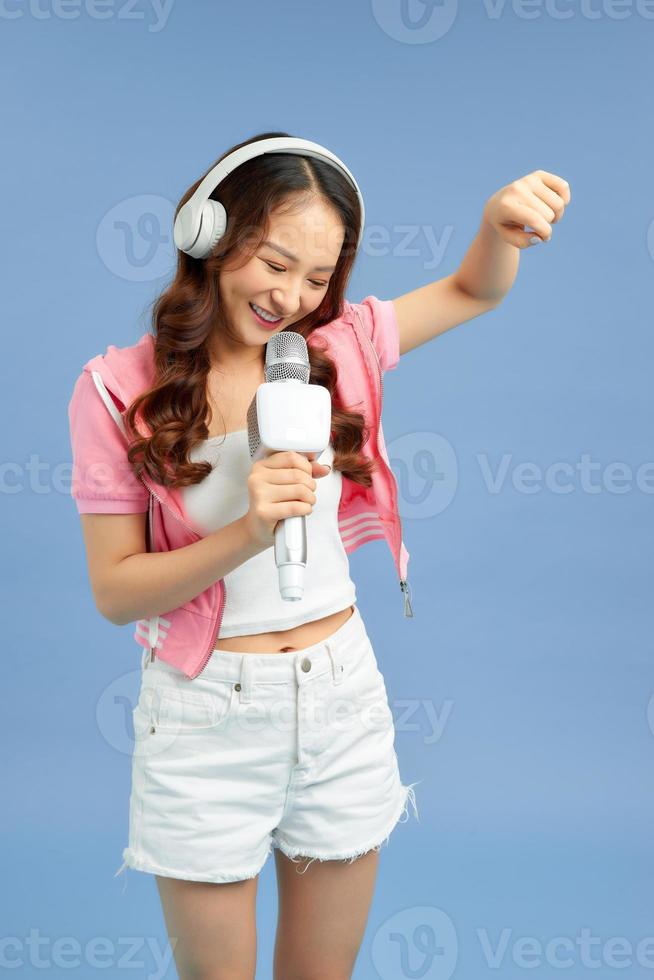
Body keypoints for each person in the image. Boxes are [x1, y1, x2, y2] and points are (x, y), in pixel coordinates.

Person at [68, 132, 570, 978]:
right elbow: (116, 593)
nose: (292, 296)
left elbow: (469, 289)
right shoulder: (118, 390)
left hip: (341, 700)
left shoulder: (337, 350)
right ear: (209, 233)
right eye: (274, 262)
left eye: (317, 276)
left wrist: (496, 228)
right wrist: (245, 534)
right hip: (205, 719)